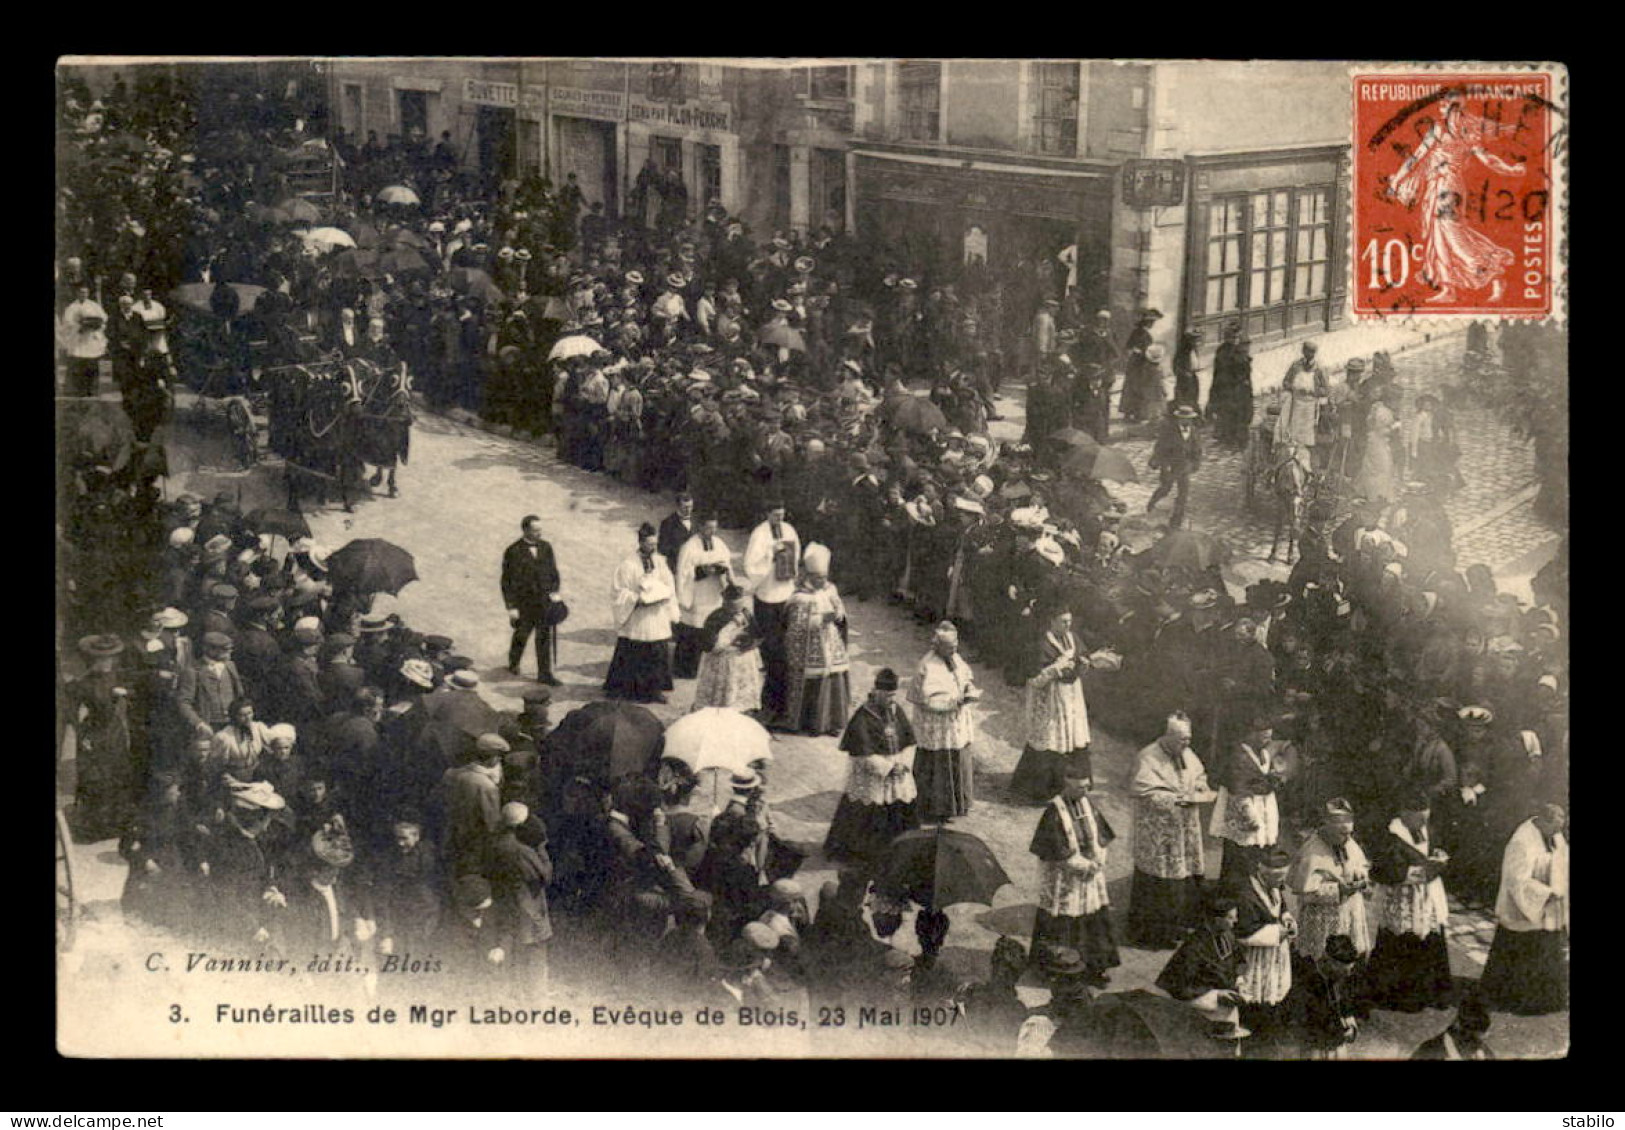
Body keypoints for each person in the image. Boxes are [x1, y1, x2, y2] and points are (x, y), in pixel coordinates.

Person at [1128, 712, 1217, 949]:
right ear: (1167, 736)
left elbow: (1199, 775)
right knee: (1158, 883)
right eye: (1181, 739)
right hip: (1157, 832)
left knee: (1184, 877)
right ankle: (1154, 934)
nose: (1186, 744)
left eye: (1189, 739)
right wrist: (1176, 800)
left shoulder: (1186, 753)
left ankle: (1180, 927)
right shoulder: (1148, 757)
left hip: (1184, 827)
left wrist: (1199, 787)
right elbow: (1144, 792)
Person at [1028, 761, 1119, 985]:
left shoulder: (1088, 805)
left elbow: (1101, 837)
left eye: (1087, 787)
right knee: (1063, 924)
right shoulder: (1054, 811)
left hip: (1090, 877)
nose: (1085, 792)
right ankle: (1058, 971)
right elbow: (1056, 849)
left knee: (1093, 921)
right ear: (1066, 787)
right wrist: (1083, 865)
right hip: (1065, 878)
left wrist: (1099, 860)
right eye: (1080, 788)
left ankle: (1094, 967)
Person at [1365, 792, 1456, 1012]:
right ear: (1405, 814)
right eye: (1420, 818)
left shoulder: (1426, 829)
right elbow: (1381, 871)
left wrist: (1439, 857)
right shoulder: (1390, 836)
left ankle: (1432, 993)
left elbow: (1433, 849)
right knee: (1402, 941)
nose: (1424, 823)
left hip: (1428, 897)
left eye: (1427, 817)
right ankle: (1401, 996)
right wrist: (1419, 872)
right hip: (1403, 899)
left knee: (1431, 938)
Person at [1477, 801, 1568, 1015]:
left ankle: (1546, 1000)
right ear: (1542, 822)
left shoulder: (1554, 834)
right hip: (1524, 907)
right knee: (1521, 952)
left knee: (1548, 950)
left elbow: (1562, 859)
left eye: (1560, 828)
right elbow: (1516, 880)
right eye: (1555, 828)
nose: (1558, 833)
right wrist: (1546, 893)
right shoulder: (1521, 842)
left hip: (1549, 907)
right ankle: (1512, 999)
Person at [823, 668, 920, 869]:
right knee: (866, 813)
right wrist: (887, 768)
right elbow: (861, 753)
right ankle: (864, 854)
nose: (892, 699)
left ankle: (898, 851)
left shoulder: (896, 710)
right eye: (888, 695)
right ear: (877, 692)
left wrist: (903, 763)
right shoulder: (863, 716)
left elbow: (909, 741)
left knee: (899, 810)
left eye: (894, 695)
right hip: (872, 775)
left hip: (897, 770)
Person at [1010, 601, 1095, 803]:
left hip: (1072, 696)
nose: (1068, 626)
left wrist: (1084, 663)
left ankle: (1073, 784)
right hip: (1050, 698)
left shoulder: (1072, 638)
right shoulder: (1041, 644)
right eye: (1063, 622)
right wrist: (1056, 668)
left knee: (1073, 737)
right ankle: (1040, 789)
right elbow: (1034, 678)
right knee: (1049, 739)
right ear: (1052, 622)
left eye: (1070, 622)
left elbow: (1082, 655)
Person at [909, 621, 982, 823]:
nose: (955, 649)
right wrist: (955, 701)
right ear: (938, 646)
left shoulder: (955, 657)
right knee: (938, 764)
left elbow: (965, 677)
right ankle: (935, 809)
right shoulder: (928, 665)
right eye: (950, 646)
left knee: (959, 758)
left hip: (955, 721)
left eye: (956, 644)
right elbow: (927, 700)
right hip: (937, 725)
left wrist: (968, 690)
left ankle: (958, 804)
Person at [66, 634, 137, 841]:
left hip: (114, 732)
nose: (107, 663)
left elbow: (133, 694)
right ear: (93, 660)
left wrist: (125, 694)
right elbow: (72, 712)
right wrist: (82, 734)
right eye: (102, 659)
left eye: (109, 659)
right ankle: (96, 826)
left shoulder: (117, 677)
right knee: (97, 778)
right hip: (94, 732)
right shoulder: (83, 684)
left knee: (118, 774)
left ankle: (116, 823)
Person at [1286, 798, 1373, 965]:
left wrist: (1360, 877)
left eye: (1349, 833)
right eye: (1342, 833)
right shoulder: (1312, 851)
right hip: (1323, 919)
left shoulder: (1348, 842)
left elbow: (1361, 864)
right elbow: (1306, 894)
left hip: (1350, 912)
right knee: (1322, 963)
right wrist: (1339, 891)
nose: (1347, 838)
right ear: (1328, 827)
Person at [1155, 892, 1249, 1041]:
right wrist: (1216, 995)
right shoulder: (1195, 946)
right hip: (1199, 1003)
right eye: (1231, 917)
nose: (1236, 921)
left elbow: (1239, 960)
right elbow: (1180, 985)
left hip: (1224, 999)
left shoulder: (1227, 934)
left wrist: (1239, 980)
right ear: (1217, 920)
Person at [779, 543, 851, 735]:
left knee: (833, 677)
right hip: (809, 646)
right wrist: (820, 619)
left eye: (825, 577)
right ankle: (812, 724)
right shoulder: (800, 598)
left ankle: (833, 723)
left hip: (830, 641)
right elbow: (796, 626)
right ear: (810, 577)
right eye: (819, 578)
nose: (823, 581)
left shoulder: (830, 589)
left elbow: (840, 609)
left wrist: (838, 614)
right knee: (814, 681)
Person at [605, 522, 678, 704]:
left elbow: (669, 583)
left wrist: (663, 594)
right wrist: (636, 598)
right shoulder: (628, 565)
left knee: (657, 652)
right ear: (640, 542)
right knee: (635, 651)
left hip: (656, 614)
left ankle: (655, 690)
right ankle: (631, 690)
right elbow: (618, 591)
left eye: (655, 544)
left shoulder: (660, 561)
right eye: (649, 544)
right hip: (638, 615)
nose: (653, 548)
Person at [743, 500, 801, 723]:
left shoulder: (789, 530)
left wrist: (789, 563)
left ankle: (784, 704)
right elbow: (750, 566)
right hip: (766, 597)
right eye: (775, 515)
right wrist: (770, 555)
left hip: (785, 594)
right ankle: (770, 703)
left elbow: (795, 557)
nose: (780, 519)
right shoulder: (759, 534)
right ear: (767, 514)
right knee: (772, 651)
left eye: (782, 515)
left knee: (785, 652)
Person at [1209, 712, 1282, 886]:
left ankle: (1256, 894)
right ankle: (1232, 900)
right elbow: (1238, 788)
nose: (1267, 741)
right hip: (1244, 809)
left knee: (1258, 855)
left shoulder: (1264, 754)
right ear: (1251, 734)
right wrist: (1249, 815)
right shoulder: (1239, 756)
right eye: (1264, 737)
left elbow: (1267, 779)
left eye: (1269, 737)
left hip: (1263, 806)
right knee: (1238, 857)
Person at [1233, 848, 1298, 1040]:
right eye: (1280, 879)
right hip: (1255, 954)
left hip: (1275, 950)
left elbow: (1281, 907)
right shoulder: (1246, 895)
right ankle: (1253, 1028)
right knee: (1255, 989)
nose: (1282, 883)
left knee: (1274, 986)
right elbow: (1243, 932)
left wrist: (1287, 919)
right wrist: (1280, 933)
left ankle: (1271, 1022)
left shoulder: (1272, 886)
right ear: (1266, 875)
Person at [501, 514, 563, 685]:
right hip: (524, 604)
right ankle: (514, 662)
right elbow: (506, 582)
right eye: (535, 530)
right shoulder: (513, 551)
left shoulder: (546, 547)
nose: (539, 533)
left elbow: (553, 572)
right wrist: (511, 607)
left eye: (540, 529)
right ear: (525, 530)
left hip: (544, 602)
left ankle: (544, 674)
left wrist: (555, 591)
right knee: (521, 635)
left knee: (544, 638)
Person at [673, 511, 732, 680]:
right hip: (696, 594)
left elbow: (727, 562)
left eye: (715, 528)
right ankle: (685, 669)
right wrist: (701, 571)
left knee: (709, 629)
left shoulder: (719, 543)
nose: (712, 531)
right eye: (709, 528)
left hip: (713, 594)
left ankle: (706, 667)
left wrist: (722, 569)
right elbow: (683, 573)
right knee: (692, 630)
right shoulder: (689, 547)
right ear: (700, 527)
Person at [1283, 933, 1362, 1059]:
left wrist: (1351, 1026)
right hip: (1315, 1049)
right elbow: (1297, 1022)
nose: (1347, 975)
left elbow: (1346, 1007)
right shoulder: (1306, 981)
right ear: (1331, 963)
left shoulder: (1340, 977)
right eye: (1344, 970)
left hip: (1337, 1047)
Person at [690, 583, 763, 713]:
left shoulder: (746, 613)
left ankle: (742, 707)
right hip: (722, 658)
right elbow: (708, 644)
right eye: (732, 606)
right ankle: (720, 706)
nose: (736, 610)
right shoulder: (716, 617)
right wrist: (727, 642)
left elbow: (757, 634)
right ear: (725, 603)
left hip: (742, 656)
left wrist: (748, 642)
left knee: (740, 689)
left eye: (739, 606)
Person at [1147, 404, 1203, 528]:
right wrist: (1162, 465)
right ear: (1178, 419)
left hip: (1185, 467)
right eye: (1183, 419)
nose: (1186, 421)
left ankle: (1176, 520)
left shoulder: (1194, 432)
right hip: (1170, 466)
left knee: (1183, 494)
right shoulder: (1169, 431)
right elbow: (1160, 448)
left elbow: (1197, 450)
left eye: (1188, 419)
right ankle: (1152, 502)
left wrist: (1195, 464)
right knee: (1165, 488)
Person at [1208, 323, 1252, 449]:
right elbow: (1217, 370)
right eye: (1231, 337)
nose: (1234, 340)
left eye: (1236, 337)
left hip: (1237, 388)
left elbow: (1245, 373)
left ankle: (1237, 440)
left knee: (1237, 413)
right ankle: (1225, 437)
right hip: (1223, 386)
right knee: (1224, 411)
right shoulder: (1222, 350)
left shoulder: (1241, 352)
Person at [60, 283, 108, 398]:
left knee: (92, 365)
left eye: (85, 292)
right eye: (81, 292)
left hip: (91, 339)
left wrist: (95, 324)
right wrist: (80, 326)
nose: (83, 294)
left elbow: (104, 319)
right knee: (78, 365)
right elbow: (67, 324)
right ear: (77, 293)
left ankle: (92, 390)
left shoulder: (94, 306)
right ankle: (76, 391)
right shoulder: (71, 307)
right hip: (78, 339)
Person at [1411, 997, 1495, 1059]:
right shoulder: (1429, 1052)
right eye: (1470, 1034)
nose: (1477, 1042)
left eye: (1481, 1033)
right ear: (1457, 1025)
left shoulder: (1484, 1053)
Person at [657, 491, 696, 576]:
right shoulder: (667, 523)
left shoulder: (696, 522)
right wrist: (680, 551)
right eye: (685, 507)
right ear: (677, 506)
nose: (688, 510)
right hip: (675, 567)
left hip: (694, 565)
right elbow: (661, 548)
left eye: (690, 507)